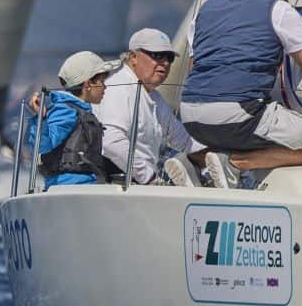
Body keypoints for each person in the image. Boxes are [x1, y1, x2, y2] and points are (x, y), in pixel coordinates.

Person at [181, 0, 302, 189]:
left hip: (190, 116)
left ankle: (195, 161)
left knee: (238, 127)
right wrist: (297, 103)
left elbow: (195, 69)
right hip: (238, 115)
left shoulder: (205, 10)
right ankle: (234, 164)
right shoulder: (278, 9)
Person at [96, 28, 206, 186]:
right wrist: (149, 177)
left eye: (169, 58)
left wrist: (220, 155)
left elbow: (184, 141)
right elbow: (111, 143)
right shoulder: (118, 88)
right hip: (117, 185)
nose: (165, 63)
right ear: (133, 57)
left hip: (140, 184)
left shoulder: (155, 98)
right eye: (157, 55)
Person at [27, 51, 113, 188]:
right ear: (88, 84)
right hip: (68, 186)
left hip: (85, 185)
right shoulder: (66, 110)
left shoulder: (81, 110)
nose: (105, 87)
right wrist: (41, 119)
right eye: (101, 82)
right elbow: (43, 146)